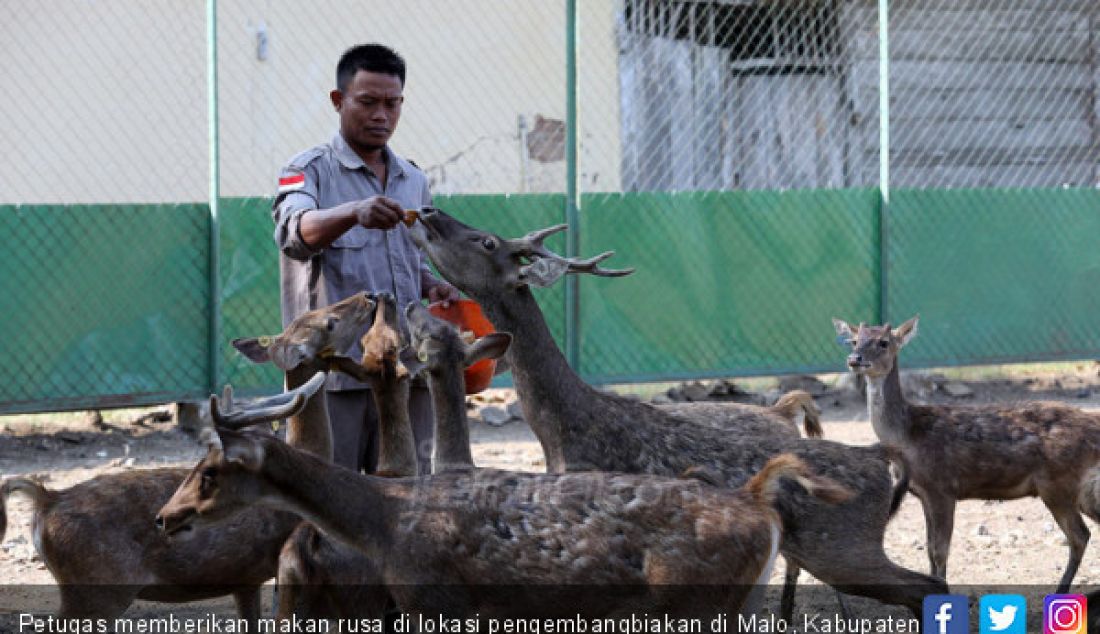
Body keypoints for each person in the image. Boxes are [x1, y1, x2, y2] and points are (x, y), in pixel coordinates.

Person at [272, 43, 459, 475]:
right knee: (328, 496)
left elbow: (412, 263)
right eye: (368, 102)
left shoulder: (413, 179)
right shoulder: (307, 170)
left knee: (407, 496)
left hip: (403, 371)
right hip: (336, 375)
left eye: (391, 104)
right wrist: (352, 212)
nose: (381, 115)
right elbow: (294, 233)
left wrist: (432, 286)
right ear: (339, 102)